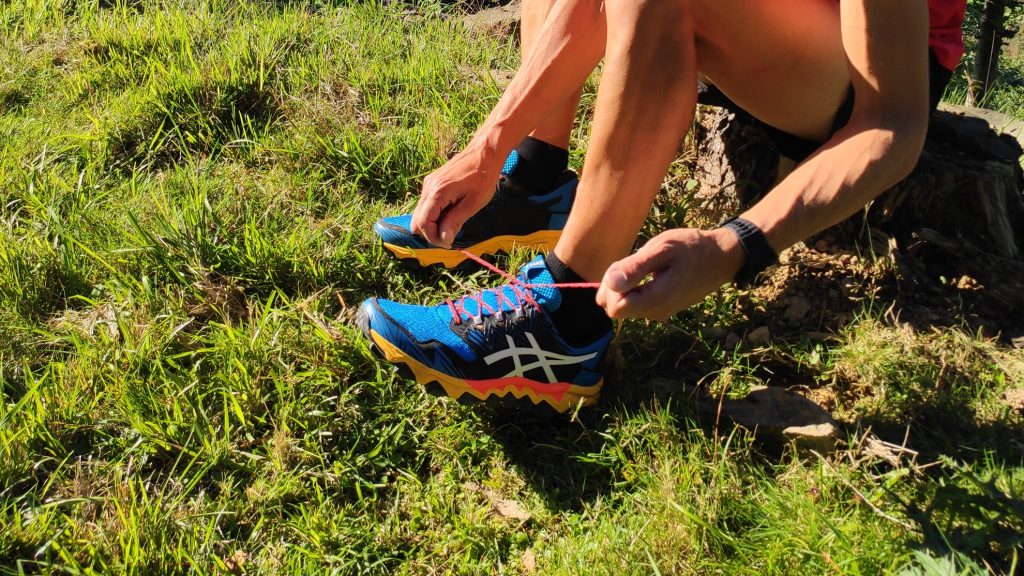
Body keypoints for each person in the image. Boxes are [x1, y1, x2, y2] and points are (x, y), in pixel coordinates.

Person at [357, 0, 967, 413]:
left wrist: (736, 244)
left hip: (869, 74)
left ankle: (566, 322)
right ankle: (536, 183)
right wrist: (486, 150)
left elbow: (892, 123)